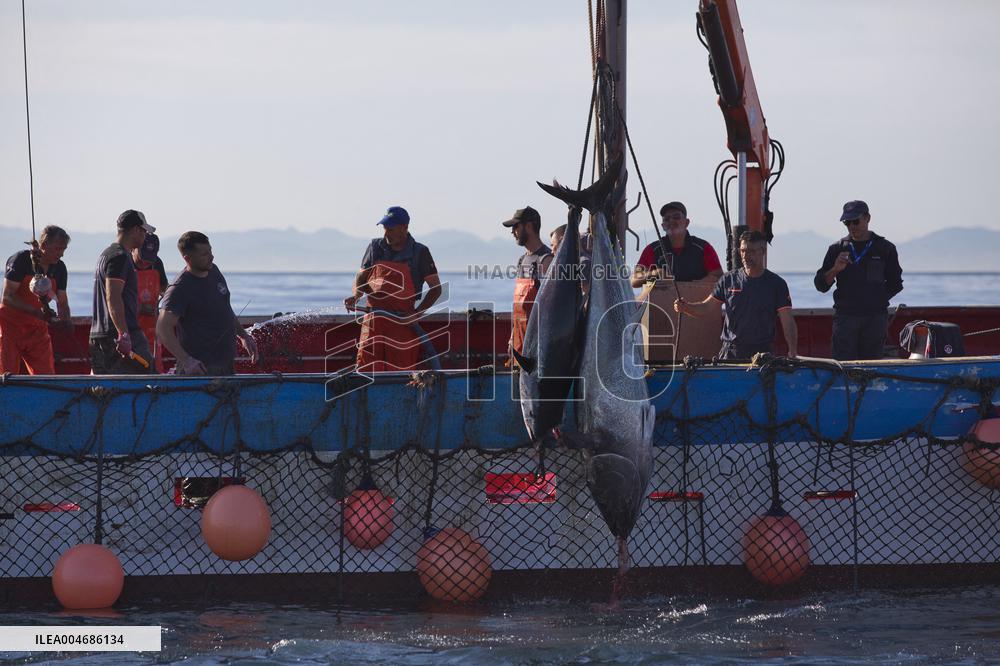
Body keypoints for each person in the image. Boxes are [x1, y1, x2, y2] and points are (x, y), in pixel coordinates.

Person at [344, 206, 442, 372]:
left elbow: (436, 289)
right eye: (384, 228)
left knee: (402, 371)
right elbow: (361, 278)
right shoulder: (374, 248)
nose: (386, 233)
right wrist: (356, 295)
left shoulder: (420, 252)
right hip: (373, 319)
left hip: (403, 321)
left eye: (391, 229)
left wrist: (417, 314)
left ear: (405, 228)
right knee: (365, 369)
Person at [674, 230, 798, 360]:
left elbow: (787, 320)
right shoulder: (728, 280)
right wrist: (686, 308)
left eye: (751, 251)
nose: (745, 255)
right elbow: (707, 307)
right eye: (743, 250)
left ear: (762, 251)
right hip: (730, 352)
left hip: (762, 354)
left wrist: (793, 351)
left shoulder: (777, 284)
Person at [156, 231, 258, 375]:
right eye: (204, 254)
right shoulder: (179, 289)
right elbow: (162, 328)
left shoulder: (214, 271)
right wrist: (186, 361)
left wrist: (243, 335)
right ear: (187, 258)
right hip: (199, 370)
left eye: (210, 251)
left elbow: (225, 308)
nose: (211, 256)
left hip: (225, 365)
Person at [814, 200, 904, 361]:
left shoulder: (885, 248)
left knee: (872, 367)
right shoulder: (837, 248)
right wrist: (835, 269)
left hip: (875, 319)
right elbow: (820, 285)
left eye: (855, 221)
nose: (851, 226)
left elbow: (896, 284)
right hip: (846, 318)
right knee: (843, 366)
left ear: (867, 218)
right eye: (847, 223)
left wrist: (877, 300)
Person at [90, 210, 155, 374]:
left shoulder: (105, 255)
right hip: (118, 337)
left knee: (104, 392)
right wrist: (124, 334)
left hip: (100, 334)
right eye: (144, 231)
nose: (145, 235)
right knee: (148, 382)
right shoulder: (119, 257)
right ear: (135, 230)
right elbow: (113, 296)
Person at [0, 226, 72, 374]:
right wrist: (36, 312)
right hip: (10, 328)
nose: (61, 254)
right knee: (6, 376)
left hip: (37, 330)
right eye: (58, 249)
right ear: (44, 245)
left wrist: (65, 320)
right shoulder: (21, 260)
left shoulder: (59, 268)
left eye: (64, 249)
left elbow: (62, 301)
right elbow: (7, 297)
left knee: (46, 376)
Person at [631, 201, 723, 287]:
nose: (671, 221)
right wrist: (656, 273)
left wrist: (698, 285)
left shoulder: (703, 248)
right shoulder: (652, 249)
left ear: (686, 222)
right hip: (659, 303)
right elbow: (634, 280)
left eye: (676, 217)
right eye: (666, 219)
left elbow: (719, 276)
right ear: (663, 226)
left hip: (696, 302)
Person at [502, 206, 552, 357]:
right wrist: (513, 337)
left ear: (529, 226)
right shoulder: (522, 260)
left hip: (538, 347)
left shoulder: (547, 260)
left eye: (516, 226)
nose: (513, 232)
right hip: (520, 345)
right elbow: (519, 308)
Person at [133, 233, 169, 372]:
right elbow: (113, 299)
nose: (145, 263)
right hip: (129, 330)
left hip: (152, 329)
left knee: (155, 368)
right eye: (142, 257)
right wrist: (139, 307)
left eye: (149, 258)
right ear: (133, 249)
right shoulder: (123, 263)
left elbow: (165, 291)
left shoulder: (157, 263)